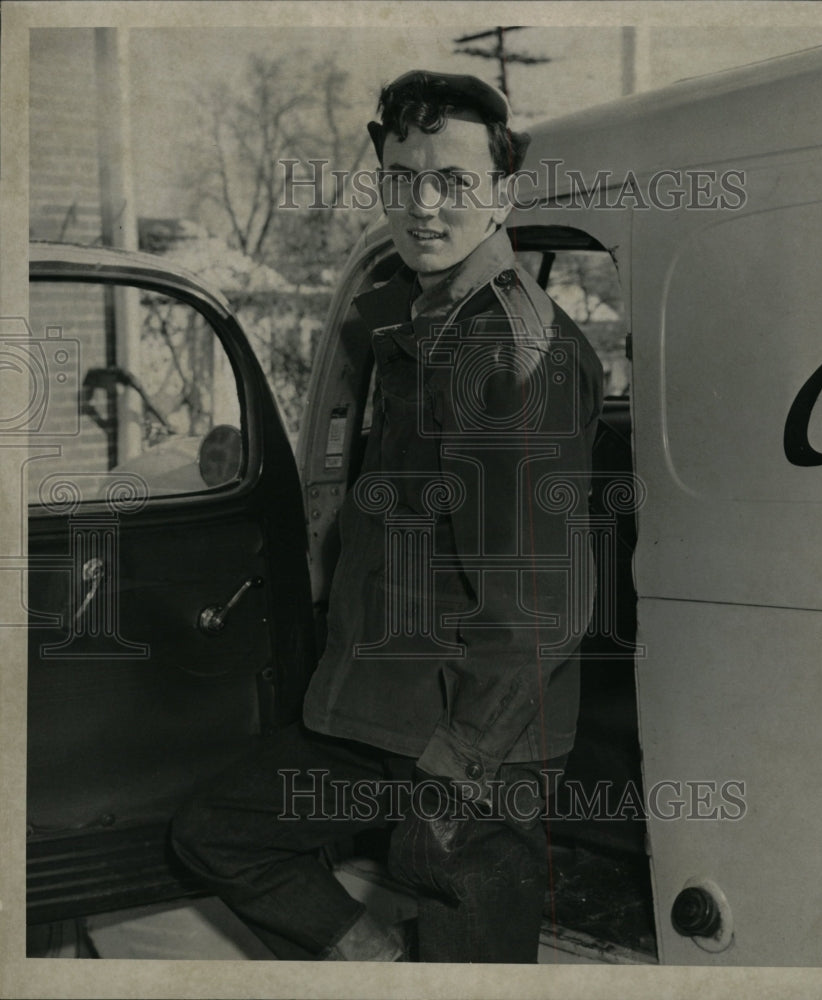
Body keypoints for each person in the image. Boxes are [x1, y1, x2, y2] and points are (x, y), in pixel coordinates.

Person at [172, 69, 604, 963]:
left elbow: (539, 605)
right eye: (403, 179)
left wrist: (457, 781)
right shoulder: (420, 322)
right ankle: (373, 958)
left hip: (479, 743)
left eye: (454, 181)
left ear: (502, 197)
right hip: (386, 720)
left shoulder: (511, 353)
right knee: (219, 831)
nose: (425, 205)